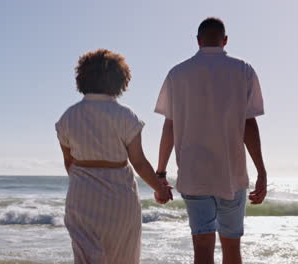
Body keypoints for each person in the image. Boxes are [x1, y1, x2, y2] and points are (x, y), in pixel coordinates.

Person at [154, 18, 267, 264]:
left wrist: (160, 174)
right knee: (232, 248)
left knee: (202, 249)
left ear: (198, 41)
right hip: (232, 174)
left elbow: (169, 127)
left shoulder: (177, 73)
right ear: (225, 40)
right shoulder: (243, 70)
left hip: (194, 174)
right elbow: (249, 124)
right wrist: (261, 170)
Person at [56, 49, 172, 264]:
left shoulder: (69, 116)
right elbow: (138, 162)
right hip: (120, 196)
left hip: (81, 196)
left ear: (82, 78)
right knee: (122, 255)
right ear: (120, 80)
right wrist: (160, 189)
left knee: (85, 257)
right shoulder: (125, 115)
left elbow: (68, 162)